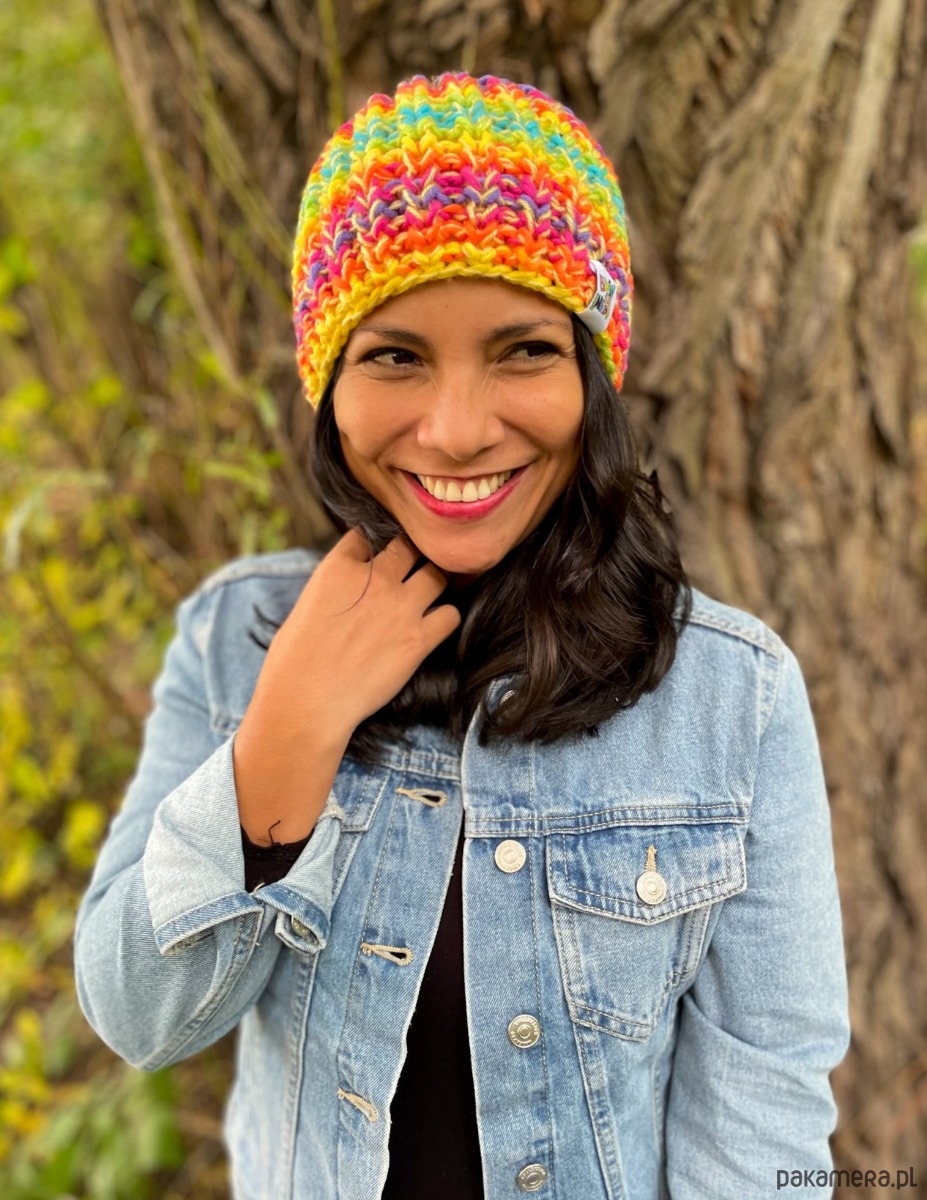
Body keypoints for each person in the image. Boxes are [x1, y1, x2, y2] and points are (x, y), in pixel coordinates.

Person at [74, 72, 849, 1200]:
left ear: (592, 372)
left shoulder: (736, 697)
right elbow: (141, 1017)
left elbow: (766, 1119)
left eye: (522, 350)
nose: (455, 431)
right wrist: (289, 728)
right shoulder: (233, 641)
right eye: (395, 356)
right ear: (329, 384)